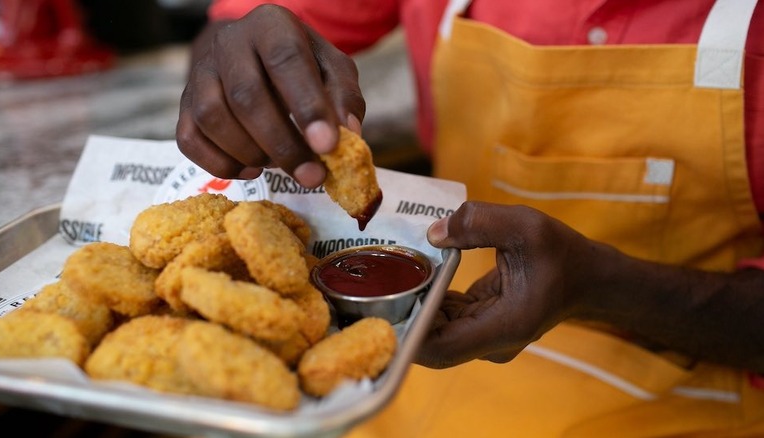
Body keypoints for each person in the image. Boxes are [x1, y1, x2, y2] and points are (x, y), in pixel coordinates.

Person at [175, 0, 764, 436]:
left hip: (697, 385)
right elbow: (233, 30)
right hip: (421, 349)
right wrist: (235, 63)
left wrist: (603, 287)